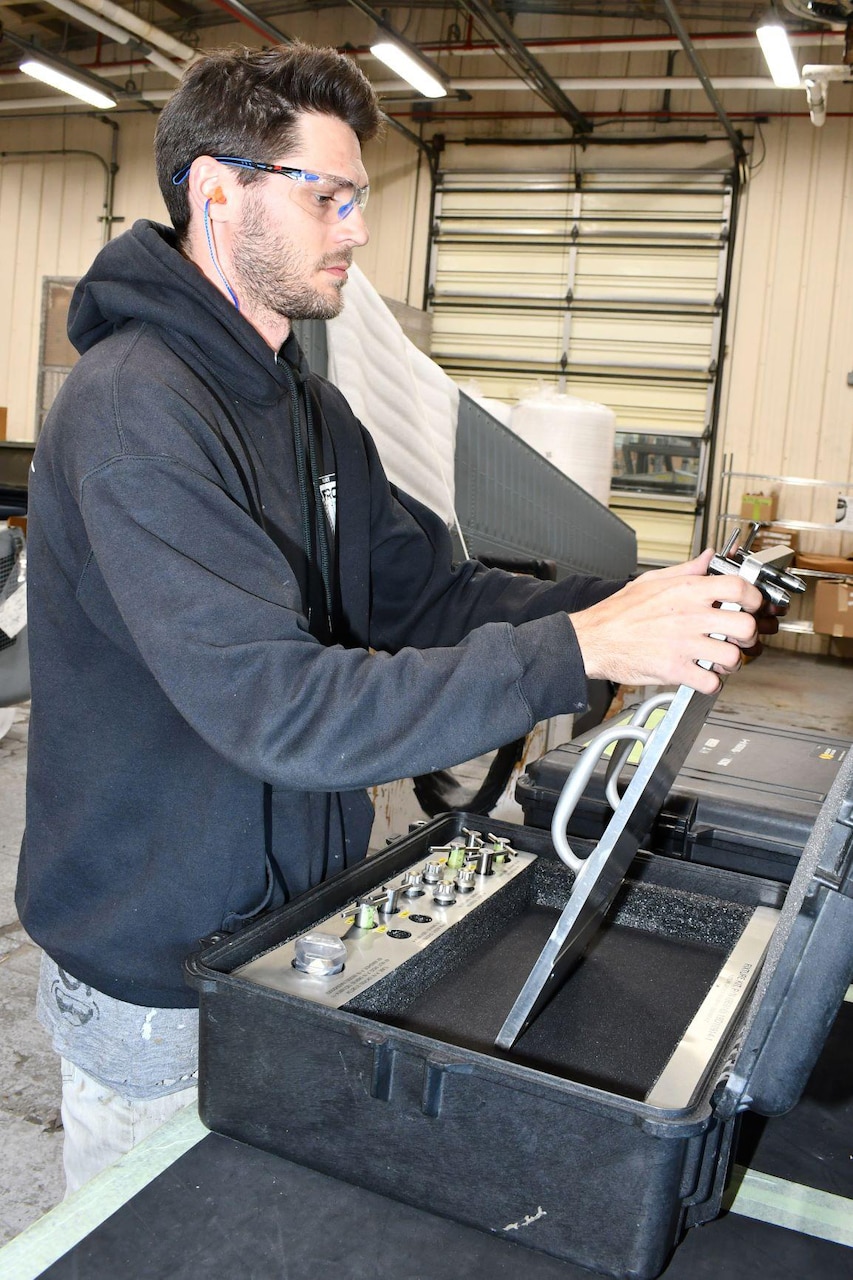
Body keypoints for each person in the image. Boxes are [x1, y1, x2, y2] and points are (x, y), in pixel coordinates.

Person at [16, 42, 766, 1194]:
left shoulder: (311, 412)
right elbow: (280, 708)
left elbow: (433, 596)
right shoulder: (133, 413)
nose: (358, 229)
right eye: (329, 196)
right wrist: (578, 650)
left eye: (358, 198)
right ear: (219, 193)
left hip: (293, 934)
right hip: (159, 970)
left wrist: (624, 607)